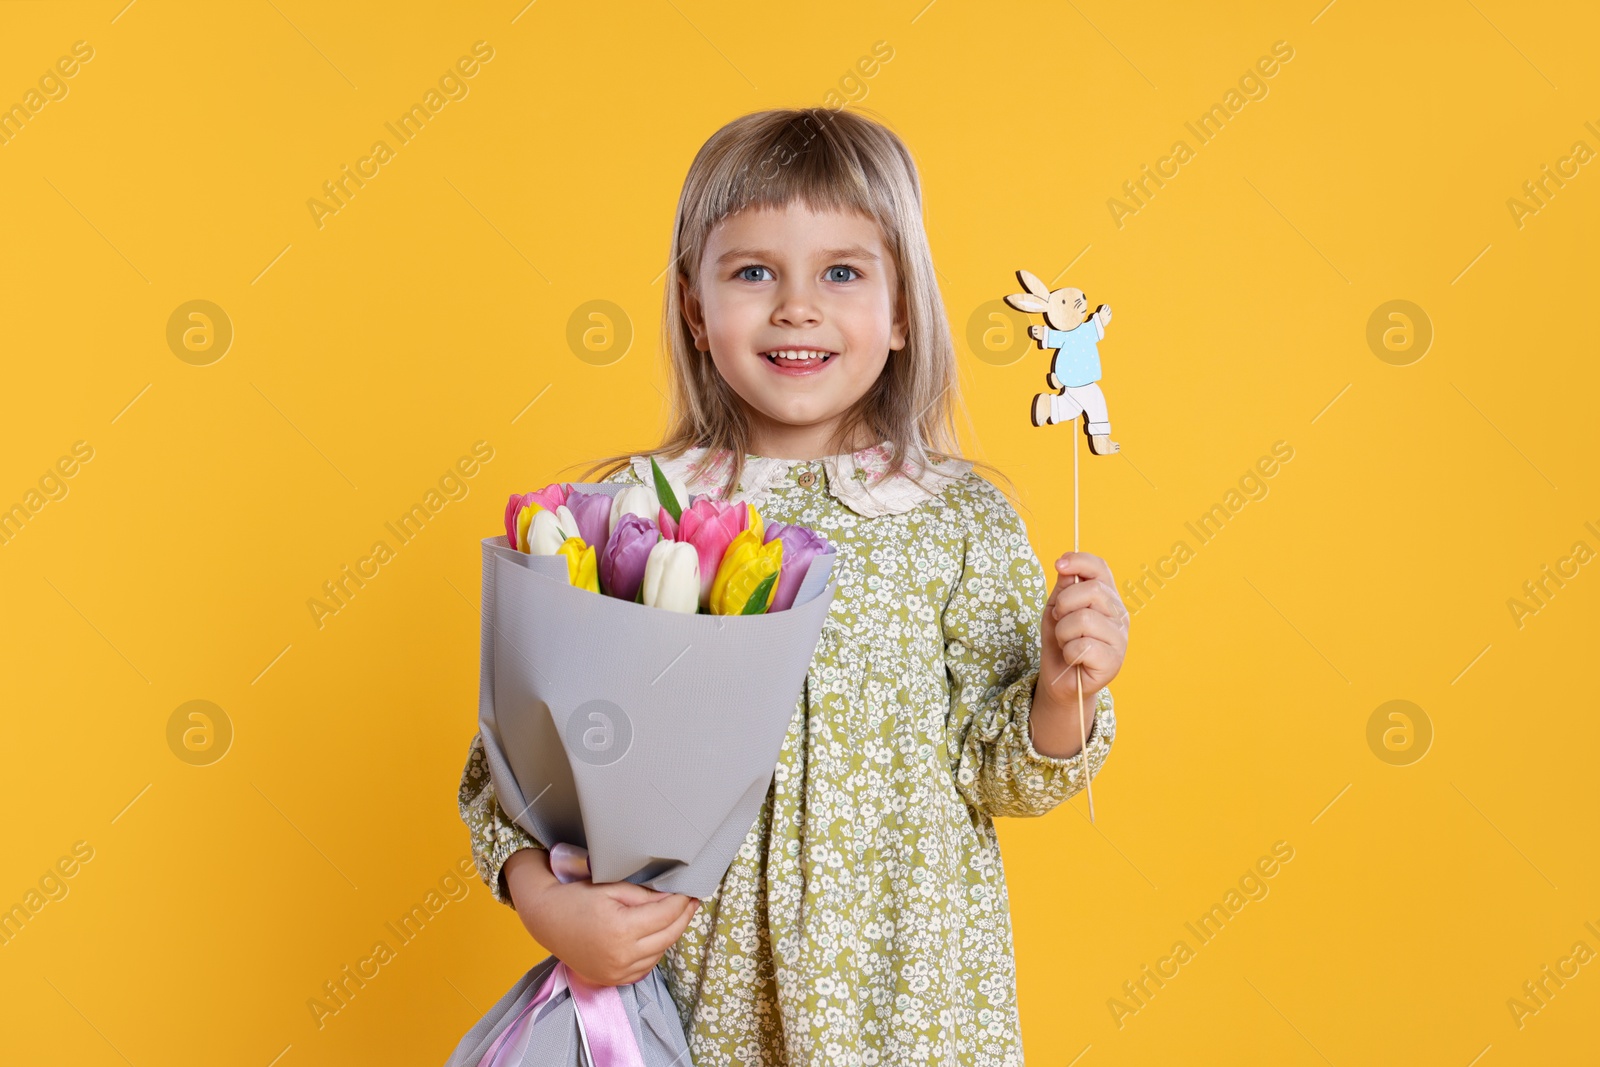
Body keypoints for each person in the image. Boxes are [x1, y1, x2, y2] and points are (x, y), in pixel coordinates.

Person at [458, 105, 1130, 1065]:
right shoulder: (623, 516)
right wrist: (550, 906)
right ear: (695, 304)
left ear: (903, 312)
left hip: (909, 1001)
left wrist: (1065, 689)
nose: (797, 307)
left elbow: (1005, 770)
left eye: (843, 273)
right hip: (694, 994)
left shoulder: (959, 519)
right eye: (753, 271)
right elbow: (515, 777)